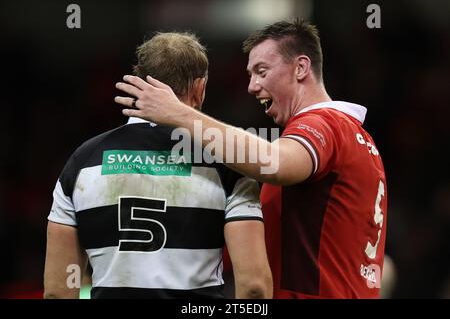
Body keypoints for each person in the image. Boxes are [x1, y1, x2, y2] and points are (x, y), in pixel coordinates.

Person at [115, 19, 388, 299]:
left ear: (301, 68)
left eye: (261, 71)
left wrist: (179, 114)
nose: (251, 86)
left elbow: (275, 163)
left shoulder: (324, 125)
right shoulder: (356, 137)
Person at [44, 32, 272, 299]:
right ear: (199, 88)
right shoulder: (228, 164)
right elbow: (254, 286)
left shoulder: (82, 162)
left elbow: (58, 293)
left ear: (138, 82)